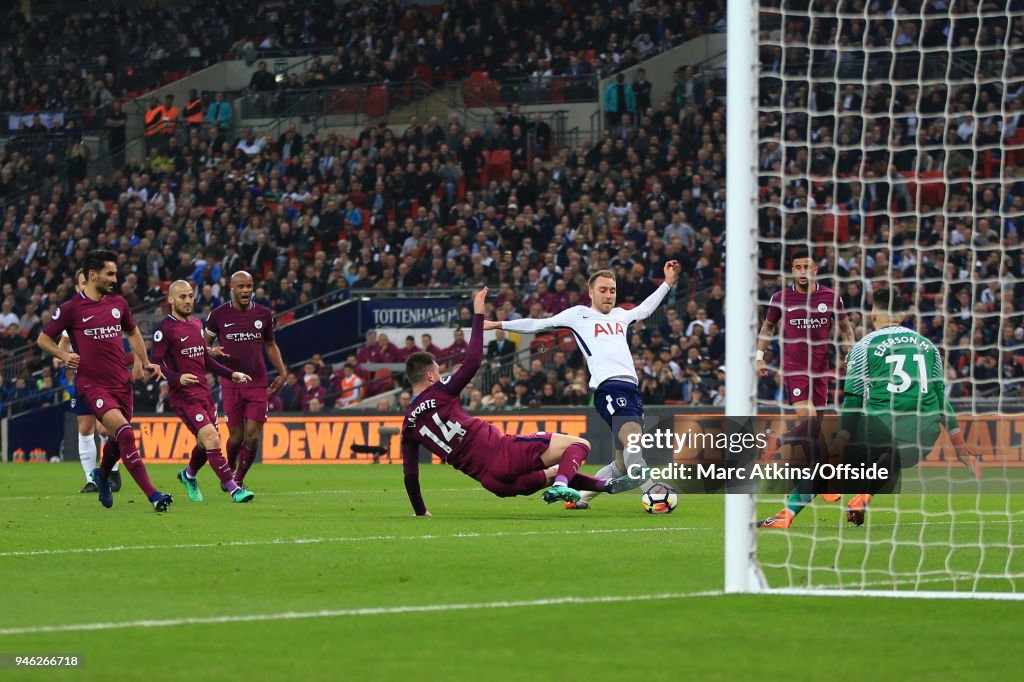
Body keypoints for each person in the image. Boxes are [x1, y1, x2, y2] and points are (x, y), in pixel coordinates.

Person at [763, 288, 983, 528]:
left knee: (831, 451)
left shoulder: (864, 346)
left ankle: (789, 512)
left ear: (872, 314)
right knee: (891, 452)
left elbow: (854, 403)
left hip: (879, 432)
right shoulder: (928, 346)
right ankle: (862, 497)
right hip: (923, 438)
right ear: (903, 315)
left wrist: (839, 447)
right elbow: (942, 400)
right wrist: (962, 449)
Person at [402, 288, 628, 515]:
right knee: (579, 445)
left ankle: (605, 485)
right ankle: (562, 484)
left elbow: (410, 473)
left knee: (555, 471)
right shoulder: (440, 391)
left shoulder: (408, 425)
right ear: (430, 376)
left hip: (493, 482)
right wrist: (478, 315)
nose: (441, 377)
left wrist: (420, 511)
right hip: (503, 453)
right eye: (438, 373)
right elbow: (472, 362)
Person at [484, 260, 682, 509]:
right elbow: (537, 324)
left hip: (632, 390)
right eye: (603, 289)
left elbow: (644, 310)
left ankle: (577, 497)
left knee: (621, 465)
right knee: (633, 436)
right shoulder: (579, 315)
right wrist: (497, 325)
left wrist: (667, 284)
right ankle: (651, 489)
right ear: (590, 292)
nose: (609, 294)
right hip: (609, 388)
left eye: (612, 290)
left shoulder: (621, 316)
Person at [37, 250, 172, 512]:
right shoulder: (70, 309)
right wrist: (63, 355)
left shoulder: (119, 303)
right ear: (92, 275)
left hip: (121, 383)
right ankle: (153, 495)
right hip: (92, 385)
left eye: (115, 273)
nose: (114, 278)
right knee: (124, 432)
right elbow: (43, 339)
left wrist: (144, 362)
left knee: (114, 440)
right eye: (110, 273)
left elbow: (133, 333)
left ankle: (101, 475)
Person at [756, 247, 855, 528]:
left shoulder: (830, 298)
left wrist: (851, 350)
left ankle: (821, 483)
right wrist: (759, 356)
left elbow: (846, 328)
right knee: (809, 422)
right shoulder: (781, 298)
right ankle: (780, 441)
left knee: (816, 430)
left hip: (821, 372)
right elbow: (767, 328)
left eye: (805, 267)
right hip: (795, 371)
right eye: (796, 267)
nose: (801, 272)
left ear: (814, 270)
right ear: (792, 270)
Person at [150, 281, 255, 504]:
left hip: (204, 395)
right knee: (212, 438)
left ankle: (188, 476)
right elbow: (155, 365)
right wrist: (177, 378)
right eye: (182, 297)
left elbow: (205, 359)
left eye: (190, 296)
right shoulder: (165, 330)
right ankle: (235, 489)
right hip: (184, 397)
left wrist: (231, 374)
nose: (188, 301)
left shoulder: (197, 323)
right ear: (171, 300)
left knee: (204, 443)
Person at [205, 271, 288, 488]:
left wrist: (282, 371)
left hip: (257, 381)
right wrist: (211, 351)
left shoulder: (264, 314)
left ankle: (238, 479)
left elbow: (270, 345)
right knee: (235, 438)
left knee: (252, 436)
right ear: (231, 288)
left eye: (249, 286)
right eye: (241, 286)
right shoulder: (218, 315)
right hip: (231, 381)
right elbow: (202, 345)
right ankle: (230, 464)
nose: (246, 291)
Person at [55, 269, 120, 493]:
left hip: (107, 378)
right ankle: (92, 479)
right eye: (82, 283)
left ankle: (112, 469)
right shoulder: (70, 312)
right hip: (83, 379)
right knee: (85, 427)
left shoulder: (107, 307)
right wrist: (61, 357)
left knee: (105, 428)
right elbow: (62, 346)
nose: (86, 286)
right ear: (77, 287)